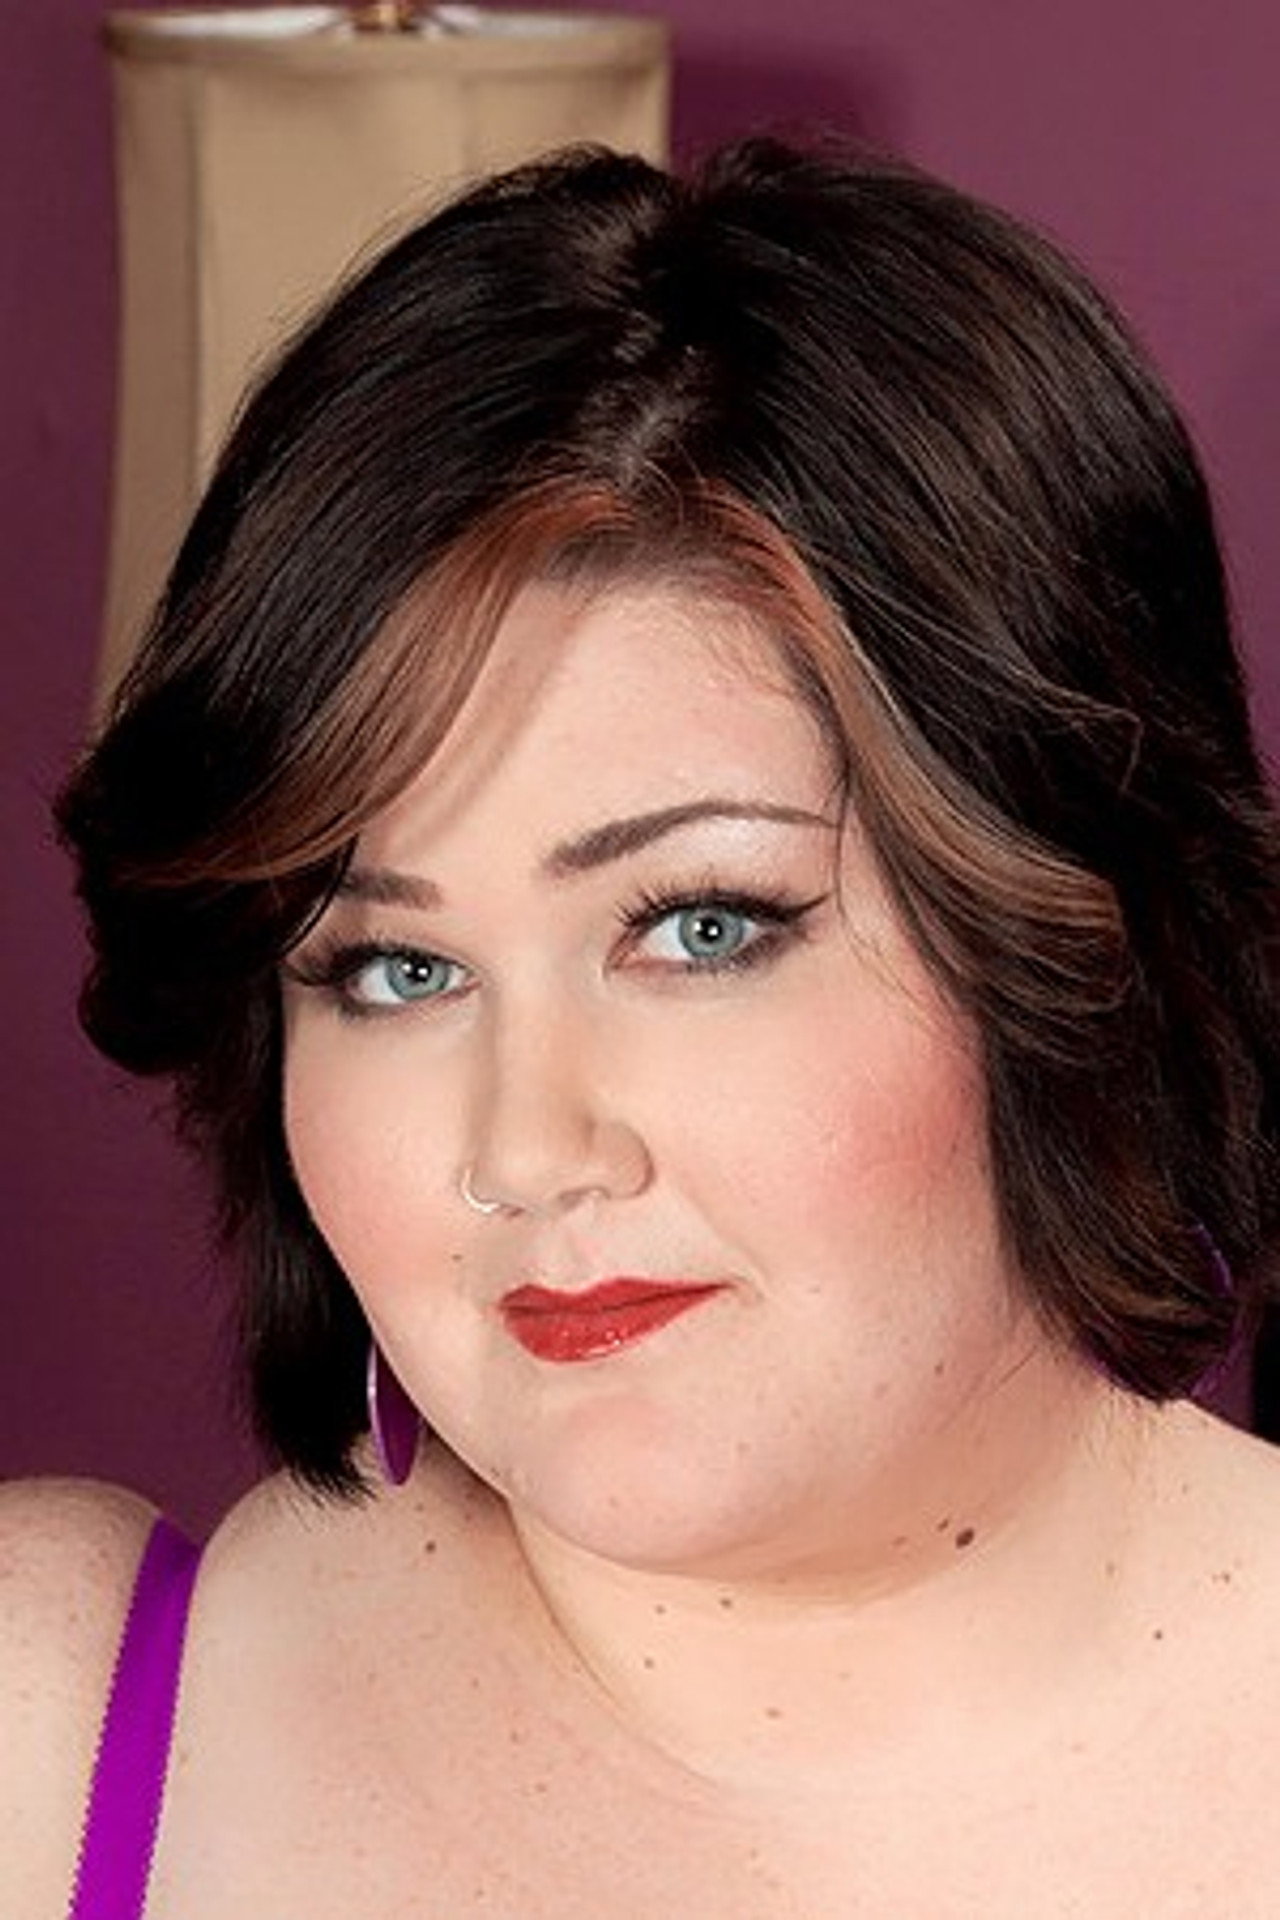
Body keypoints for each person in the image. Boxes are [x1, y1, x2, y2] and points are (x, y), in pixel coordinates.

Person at [5, 134, 1280, 1917]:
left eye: (700, 928)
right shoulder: (50, 1739)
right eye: (398, 971)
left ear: (1085, 948)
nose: (528, 1148)